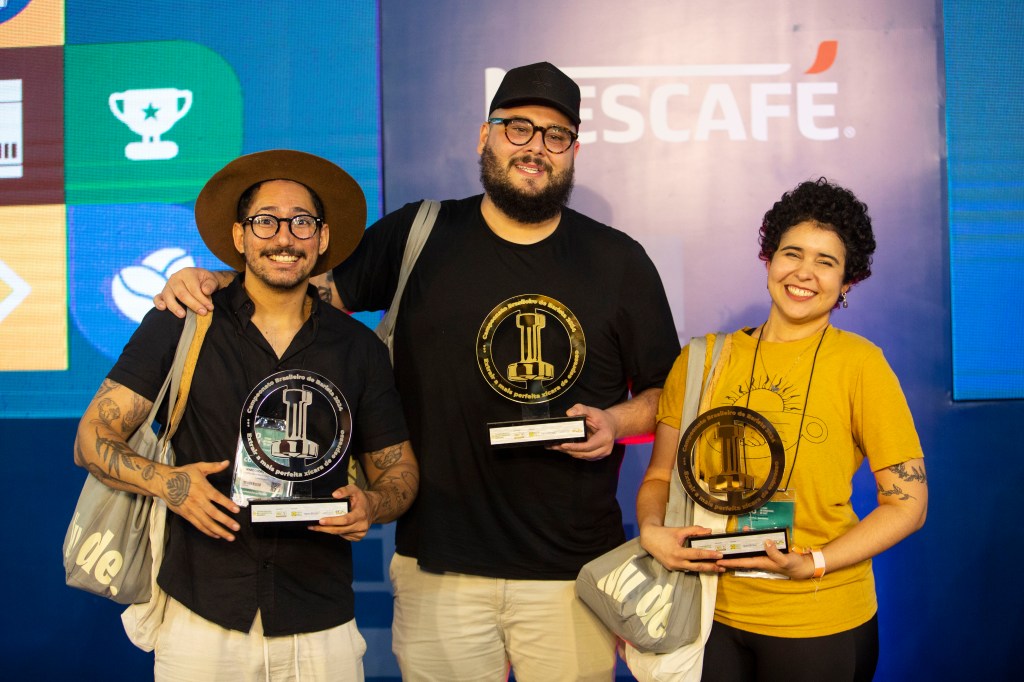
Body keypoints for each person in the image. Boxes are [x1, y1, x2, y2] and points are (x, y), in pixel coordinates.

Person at [154, 62, 680, 681]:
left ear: (574, 151)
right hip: (438, 566)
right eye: (517, 128)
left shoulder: (619, 261)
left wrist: (615, 422)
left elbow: (668, 397)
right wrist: (215, 280)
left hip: (572, 569)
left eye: (555, 135)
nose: (535, 147)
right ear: (484, 136)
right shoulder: (419, 232)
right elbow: (297, 288)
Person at [75, 149, 418, 681]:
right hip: (201, 616)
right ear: (240, 236)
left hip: (319, 619)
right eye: (265, 221)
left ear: (322, 238)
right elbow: (92, 437)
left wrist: (372, 504)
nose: (284, 237)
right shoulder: (183, 323)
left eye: (301, 222)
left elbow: (399, 472)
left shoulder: (359, 349)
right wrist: (171, 485)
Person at [636, 178, 928, 681]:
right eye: (792, 253)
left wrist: (814, 561)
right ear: (768, 258)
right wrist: (651, 532)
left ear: (848, 281)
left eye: (826, 261)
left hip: (819, 617)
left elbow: (908, 504)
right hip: (707, 616)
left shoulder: (861, 364)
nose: (804, 272)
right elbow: (660, 477)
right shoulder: (702, 359)